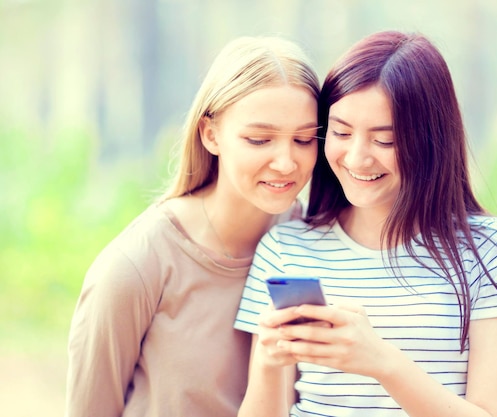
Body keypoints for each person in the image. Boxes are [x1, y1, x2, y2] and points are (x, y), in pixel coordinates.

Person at [234, 30, 497, 417]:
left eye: (385, 140)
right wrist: (267, 357)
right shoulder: (286, 247)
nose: (357, 158)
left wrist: (381, 361)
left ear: (431, 141)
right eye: (342, 132)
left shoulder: (493, 252)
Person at [65, 35, 320, 417]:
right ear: (211, 134)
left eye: (303, 139)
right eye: (259, 139)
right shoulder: (134, 267)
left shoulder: (315, 241)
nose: (286, 162)